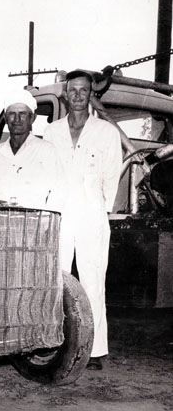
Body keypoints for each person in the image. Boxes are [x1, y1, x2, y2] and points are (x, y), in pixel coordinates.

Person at [43, 70, 122, 371]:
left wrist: (100, 208)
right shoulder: (51, 132)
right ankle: (56, 340)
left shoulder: (106, 132)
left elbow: (112, 176)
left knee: (92, 279)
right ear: (65, 93)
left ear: (91, 95)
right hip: (60, 211)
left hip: (91, 211)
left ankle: (96, 349)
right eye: (72, 90)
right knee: (57, 276)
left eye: (83, 90)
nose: (77, 95)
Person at [0, 89, 63, 211]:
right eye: (12, 114)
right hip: (1, 225)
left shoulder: (47, 151)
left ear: (32, 118)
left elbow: (58, 193)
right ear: (6, 119)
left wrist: (44, 224)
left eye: (22, 113)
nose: (17, 119)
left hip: (36, 226)